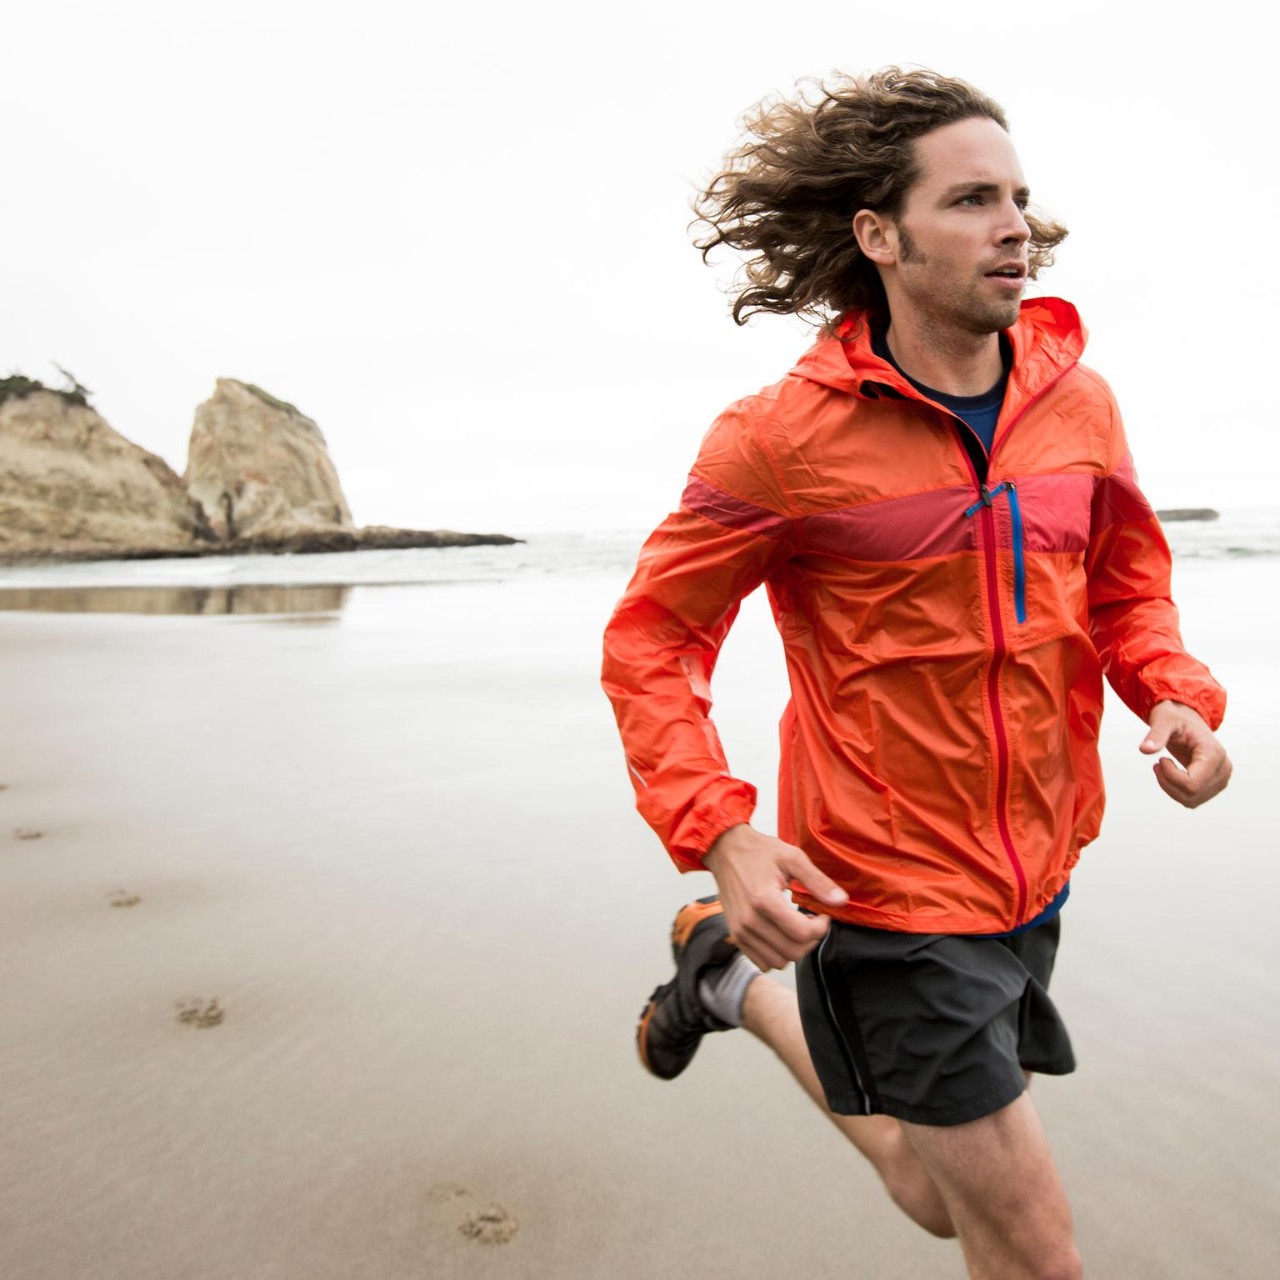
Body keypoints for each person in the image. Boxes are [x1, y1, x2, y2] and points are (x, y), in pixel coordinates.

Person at [601, 67, 1231, 1279]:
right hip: (883, 891)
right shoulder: (778, 437)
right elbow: (651, 639)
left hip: (1035, 865)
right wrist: (722, 832)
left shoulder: (1077, 403)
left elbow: (1120, 588)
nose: (1015, 228)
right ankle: (730, 959)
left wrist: (1171, 692)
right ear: (878, 234)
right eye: (972, 201)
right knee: (1034, 1250)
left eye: (1019, 197)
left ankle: (730, 984)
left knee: (934, 1192)